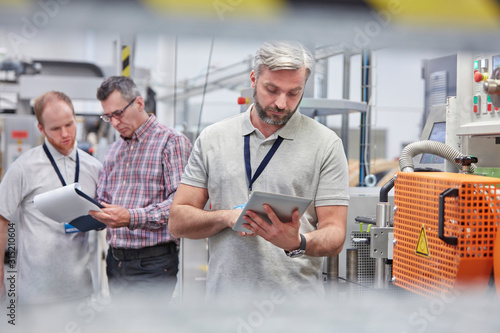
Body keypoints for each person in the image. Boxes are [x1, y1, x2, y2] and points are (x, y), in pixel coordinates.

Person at [169, 41, 350, 299]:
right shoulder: (213, 138)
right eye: (271, 89)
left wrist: (297, 242)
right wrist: (226, 217)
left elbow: (336, 233)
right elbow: (178, 221)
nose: (281, 103)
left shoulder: (326, 144)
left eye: (293, 93)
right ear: (254, 79)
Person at [89, 76, 192, 298]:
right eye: (108, 117)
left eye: (118, 113)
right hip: (116, 262)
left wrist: (131, 217)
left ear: (139, 103)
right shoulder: (114, 150)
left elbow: (180, 205)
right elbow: (103, 199)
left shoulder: (171, 142)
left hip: (153, 263)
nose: (115, 123)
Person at [0, 91, 102, 305]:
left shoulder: (94, 168)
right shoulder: (24, 167)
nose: (65, 134)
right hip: (35, 293)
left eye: (69, 124)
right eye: (55, 128)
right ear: (41, 128)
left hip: (81, 291)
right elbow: (2, 221)